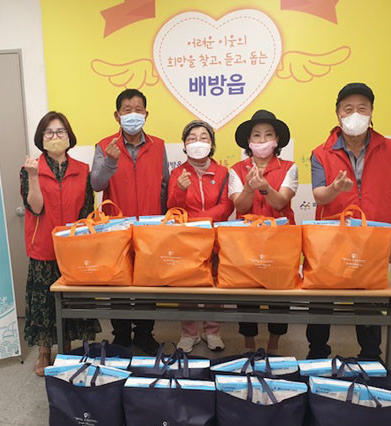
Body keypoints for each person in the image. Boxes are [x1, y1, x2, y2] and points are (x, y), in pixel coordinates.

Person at [307, 82, 391, 360]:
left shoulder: (390, 148)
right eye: (348, 108)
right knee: (322, 299)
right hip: (332, 238)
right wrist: (335, 189)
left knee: (369, 299)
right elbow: (319, 196)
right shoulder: (321, 152)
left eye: (362, 108)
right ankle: (317, 352)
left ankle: (371, 356)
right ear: (337, 113)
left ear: (372, 111)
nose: (355, 114)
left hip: (373, 236)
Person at [21, 111, 100, 376]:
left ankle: (68, 349)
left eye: (60, 131)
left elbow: (87, 211)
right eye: (49, 132)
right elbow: (35, 207)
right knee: (44, 301)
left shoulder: (82, 170)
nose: (55, 136)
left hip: (73, 248)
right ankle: (44, 351)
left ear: (69, 136)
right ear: (41, 138)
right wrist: (34, 177)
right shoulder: (31, 168)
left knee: (73, 300)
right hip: (43, 247)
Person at [91, 89, 169, 355]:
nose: (133, 114)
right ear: (117, 115)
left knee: (148, 281)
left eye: (138, 109)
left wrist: (164, 222)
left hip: (151, 225)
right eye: (127, 110)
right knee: (118, 282)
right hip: (117, 226)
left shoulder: (158, 145)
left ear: (146, 114)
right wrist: (110, 162)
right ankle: (122, 334)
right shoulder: (104, 146)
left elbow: (165, 185)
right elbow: (96, 183)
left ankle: (145, 333)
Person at [229, 110, 298, 354]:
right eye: (256, 135)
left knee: (279, 293)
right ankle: (249, 344)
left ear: (277, 140)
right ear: (248, 142)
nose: (262, 140)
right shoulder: (236, 169)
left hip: (280, 240)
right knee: (247, 293)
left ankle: (274, 344)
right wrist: (249, 188)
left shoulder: (289, 167)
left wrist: (266, 187)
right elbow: (240, 207)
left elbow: (280, 202)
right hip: (246, 240)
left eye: (268, 135)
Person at [167, 120, 234, 353]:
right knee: (187, 287)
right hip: (187, 238)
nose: (198, 142)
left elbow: (226, 206)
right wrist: (180, 189)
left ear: (212, 144)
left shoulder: (223, 172)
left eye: (204, 137)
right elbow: (173, 208)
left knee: (214, 284)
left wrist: (201, 221)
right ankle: (189, 333)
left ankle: (212, 331)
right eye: (192, 138)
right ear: (184, 145)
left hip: (215, 237)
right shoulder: (177, 173)